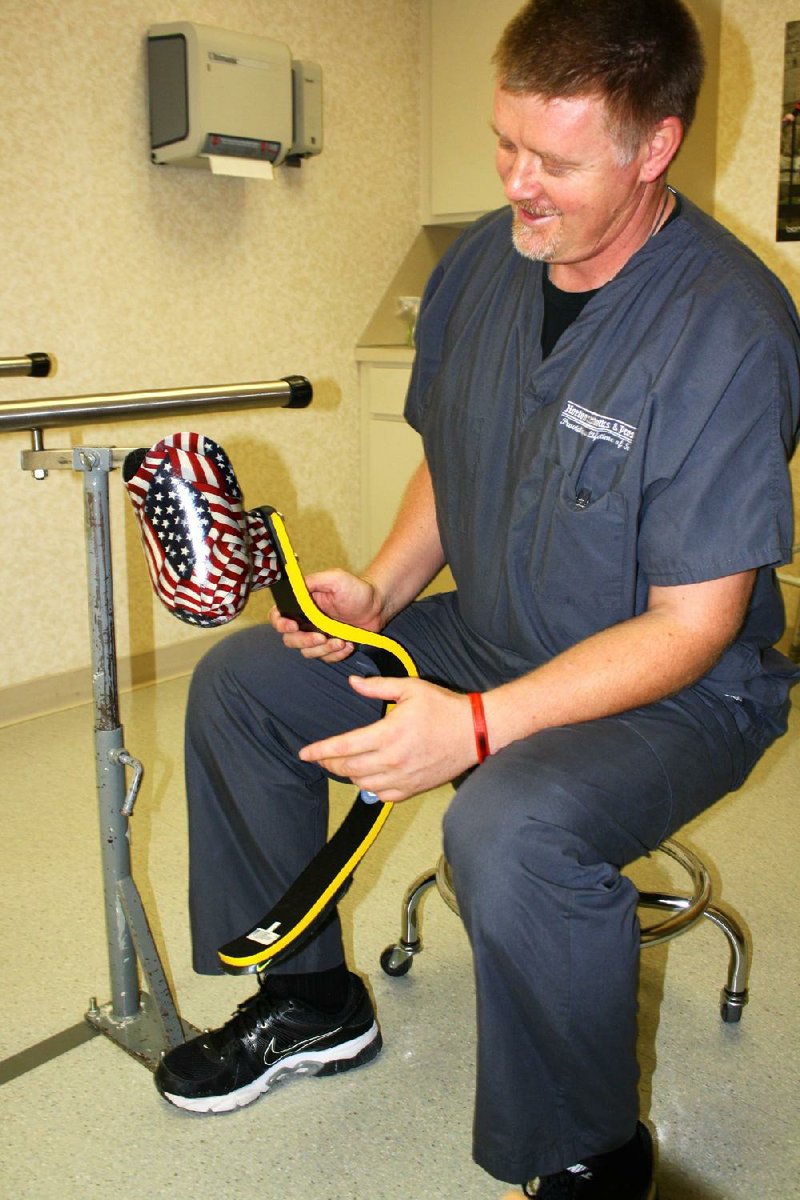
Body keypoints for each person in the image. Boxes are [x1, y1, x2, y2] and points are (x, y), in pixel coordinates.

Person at [154, 1, 800, 1196]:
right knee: (245, 685)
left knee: (506, 827)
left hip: (676, 688)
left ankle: (583, 1153)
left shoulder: (728, 329)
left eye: (553, 161)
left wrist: (479, 726)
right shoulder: (483, 271)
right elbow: (455, 459)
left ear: (652, 147)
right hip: (492, 624)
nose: (517, 183)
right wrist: (379, 588)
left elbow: (693, 622)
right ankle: (309, 1004)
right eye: (505, 144)